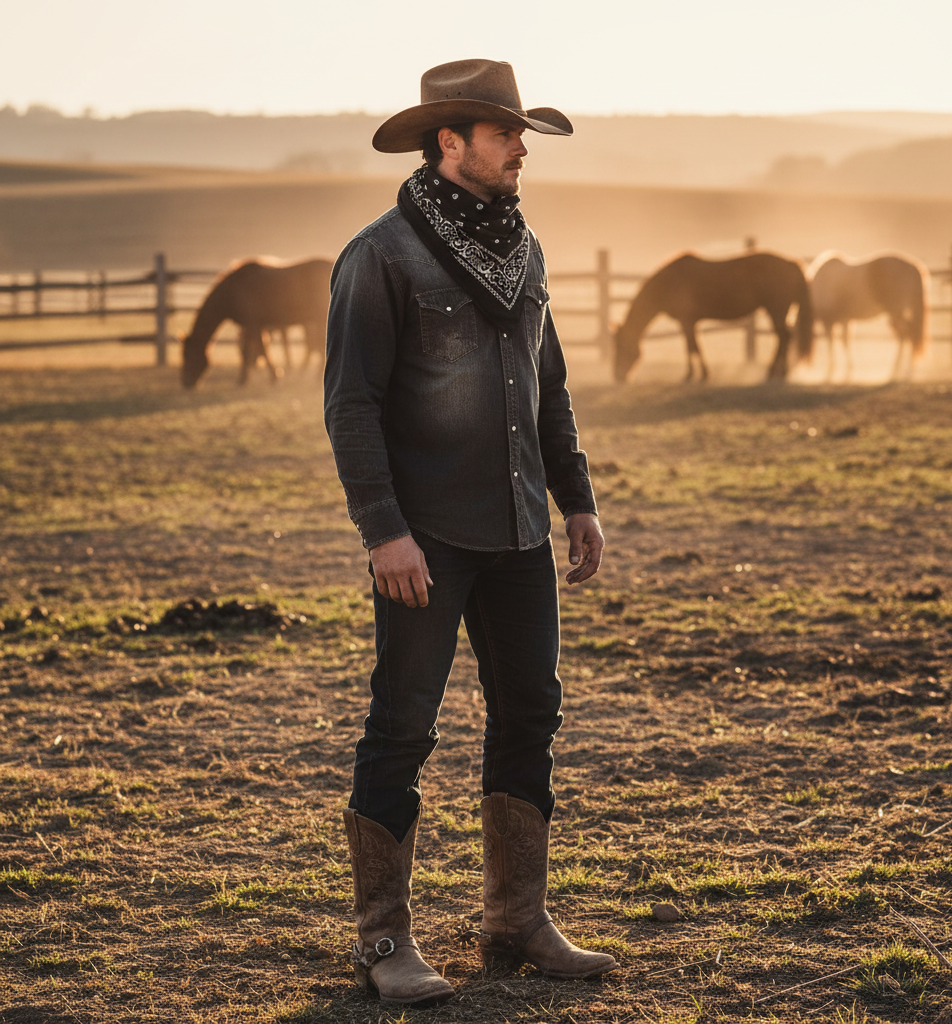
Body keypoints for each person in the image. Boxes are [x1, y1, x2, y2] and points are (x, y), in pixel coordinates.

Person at [323, 58, 617, 1007]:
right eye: (505, 133)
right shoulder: (381, 254)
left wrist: (576, 499)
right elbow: (351, 406)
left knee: (531, 710)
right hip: (425, 540)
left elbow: (550, 387)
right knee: (403, 726)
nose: (522, 148)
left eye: (521, 133)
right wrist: (383, 531)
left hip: (523, 532)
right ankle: (381, 944)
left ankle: (516, 920)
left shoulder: (524, 252)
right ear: (450, 141)